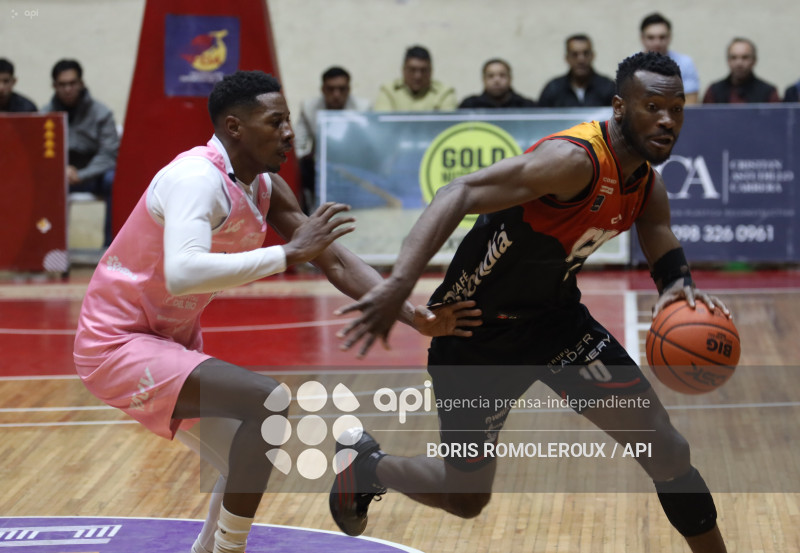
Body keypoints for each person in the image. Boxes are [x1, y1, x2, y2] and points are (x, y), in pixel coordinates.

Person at [329, 52, 730, 553]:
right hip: (473, 333)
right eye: (653, 106)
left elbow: (656, 227)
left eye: (677, 108)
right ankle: (366, 465)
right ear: (620, 108)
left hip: (555, 324)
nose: (668, 120)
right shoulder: (573, 161)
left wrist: (675, 284)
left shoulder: (645, 183)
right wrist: (399, 284)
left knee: (666, 448)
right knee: (466, 496)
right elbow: (459, 190)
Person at [72, 70, 479, 553]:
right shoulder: (194, 179)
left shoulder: (265, 186)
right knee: (267, 401)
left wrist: (413, 315)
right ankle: (230, 549)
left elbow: (334, 260)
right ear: (234, 127)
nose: (289, 132)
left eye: (288, 120)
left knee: (241, 451)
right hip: (116, 342)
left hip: (169, 338)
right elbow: (183, 272)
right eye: (276, 121)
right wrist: (288, 254)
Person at [42, 59, 119, 246]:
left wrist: (82, 174)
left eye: (72, 83)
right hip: (59, 179)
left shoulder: (102, 113)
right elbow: (39, 155)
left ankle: (110, 249)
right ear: (54, 86)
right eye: (62, 84)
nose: (68, 89)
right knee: (38, 185)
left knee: (115, 180)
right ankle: (47, 249)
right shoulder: (45, 115)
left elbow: (109, 154)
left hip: (94, 177)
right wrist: (61, 169)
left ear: (81, 83)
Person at [294, 66, 371, 212]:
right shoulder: (309, 108)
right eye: (331, 89)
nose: (336, 94)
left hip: (353, 167)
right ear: (322, 89)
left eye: (342, 89)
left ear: (349, 90)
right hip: (319, 169)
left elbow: (368, 146)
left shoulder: (363, 108)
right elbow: (299, 144)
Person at [538, 34, 616, 108]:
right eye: (574, 54)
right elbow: (540, 118)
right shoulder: (553, 89)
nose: (581, 60)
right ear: (567, 58)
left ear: (592, 56)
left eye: (586, 53)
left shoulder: (608, 87)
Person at [640, 13, 700, 104]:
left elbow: (691, 102)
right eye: (651, 37)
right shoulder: (630, 65)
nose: (657, 43)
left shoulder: (685, 63)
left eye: (662, 37)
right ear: (642, 38)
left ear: (670, 37)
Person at [374, 45, 457, 111]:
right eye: (412, 70)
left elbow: (446, 124)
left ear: (431, 71)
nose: (418, 76)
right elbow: (383, 124)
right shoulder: (389, 91)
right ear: (403, 70)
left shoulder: (444, 92)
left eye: (423, 70)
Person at [703, 38, 780, 104]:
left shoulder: (768, 92)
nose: (739, 63)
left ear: (754, 60)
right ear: (728, 61)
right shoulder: (714, 91)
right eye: (733, 57)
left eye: (745, 57)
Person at [458, 58, 536, 109]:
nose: (496, 80)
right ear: (483, 80)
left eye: (502, 75)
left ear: (510, 79)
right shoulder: (470, 106)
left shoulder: (526, 106)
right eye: (490, 76)